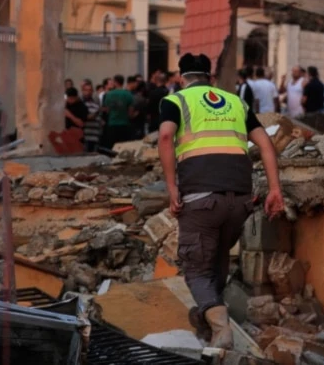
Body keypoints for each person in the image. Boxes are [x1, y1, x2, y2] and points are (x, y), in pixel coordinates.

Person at [158, 53, 284, 349]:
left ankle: (220, 328)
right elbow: (265, 144)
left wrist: (171, 187)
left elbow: (165, 137)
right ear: (210, 78)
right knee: (216, 259)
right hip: (240, 199)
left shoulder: (176, 101)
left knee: (197, 269)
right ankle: (207, 321)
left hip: (201, 197)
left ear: (181, 78)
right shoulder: (236, 102)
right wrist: (275, 189)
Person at [101, 75, 135, 149]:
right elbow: (130, 113)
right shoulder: (128, 94)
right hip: (124, 124)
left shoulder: (109, 95)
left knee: (112, 147)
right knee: (123, 148)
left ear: (116, 82)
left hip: (112, 124)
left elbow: (107, 110)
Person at [81, 80, 104, 152]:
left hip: (95, 136)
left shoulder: (95, 104)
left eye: (90, 90)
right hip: (85, 137)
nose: (88, 92)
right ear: (82, 91)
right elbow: (86, 117)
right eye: (86, 90)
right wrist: (98, 112)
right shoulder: (81, 104)